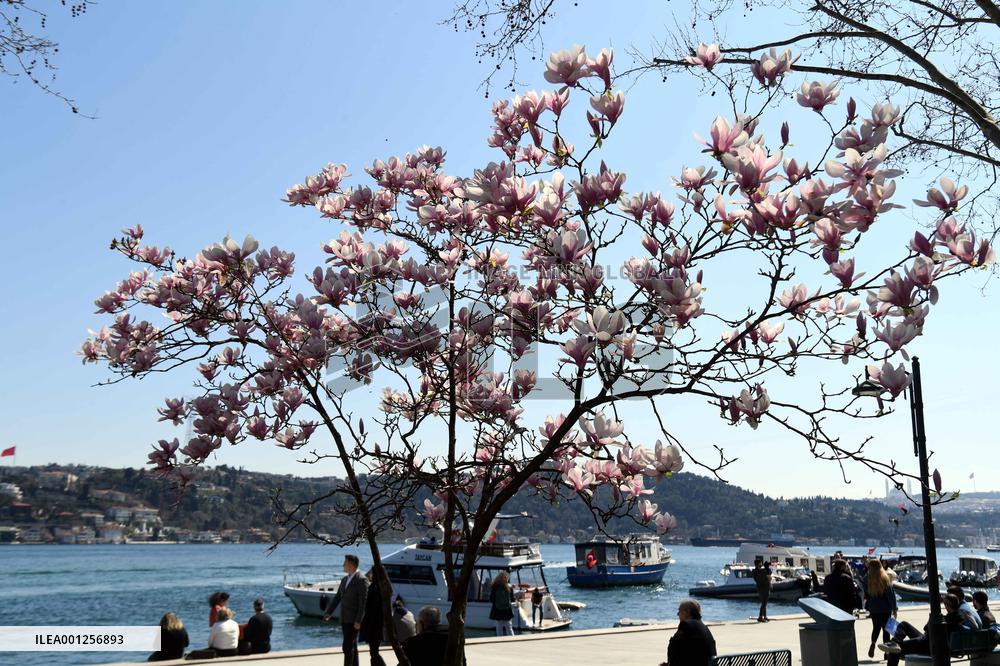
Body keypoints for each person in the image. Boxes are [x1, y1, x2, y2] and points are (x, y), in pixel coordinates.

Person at [878, 593, 980, 664]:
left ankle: (895, 643)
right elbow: (975, 628)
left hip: (928, 645)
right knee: (904, 625)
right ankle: (895, 642)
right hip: (929, 641)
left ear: (947, 605)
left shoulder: (945, 619)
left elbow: (927, 628)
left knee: (895, 650)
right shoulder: (960, 616)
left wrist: (933, 615)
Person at [322, 554, 370, 666]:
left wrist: (359, 620)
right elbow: (337, 597)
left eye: (345, 563)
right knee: (352, 645)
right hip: (344, 618)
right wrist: (328, 613)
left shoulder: (361, 580)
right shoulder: (344, 579)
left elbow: (363, 602)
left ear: (351, 565)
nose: (343, 565)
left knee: (347, 646)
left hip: (354, 620)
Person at [658, 599, 717, 666]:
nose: (678, 614)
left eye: (679, 611)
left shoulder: (686, 625)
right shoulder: (704, 628)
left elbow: (674, 647)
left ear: (687, 612)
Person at [864, 559, 898, 659]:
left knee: (876, 627)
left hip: (873, 608)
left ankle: (873, 643)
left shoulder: (867, 578)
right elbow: (891, 595)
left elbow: (866, 591)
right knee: (886, 630)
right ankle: (886, 653)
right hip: (885, 608)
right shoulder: (885, 578)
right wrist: (894, 608)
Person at [360, 571, 386, 666]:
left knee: (374, 652)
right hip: (375, 624)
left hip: (374, 624)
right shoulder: (379, 588)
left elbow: (370, 606)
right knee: (374, 651)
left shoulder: (375, 588)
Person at [489, 571, 515, 636]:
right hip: (507, 611)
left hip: (497, 611)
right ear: (507, 578)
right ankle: (512, 640)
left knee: (499, 629)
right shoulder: (510, 587)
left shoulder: (495, 587)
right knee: (509, 628)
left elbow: (491, 599)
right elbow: (512, 599)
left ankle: (500, 641)